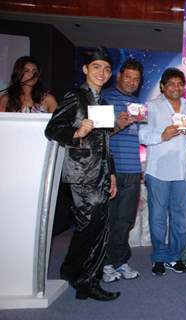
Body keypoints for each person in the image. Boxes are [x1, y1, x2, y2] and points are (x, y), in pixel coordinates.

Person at [44, 48, 120, 301]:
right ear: (85, 69)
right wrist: (77, 132)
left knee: (95, 227)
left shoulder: (103, 102)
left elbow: (105, 143)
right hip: (81, 173)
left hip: (100, 173)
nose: (102, 72)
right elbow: (53, 129)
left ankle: (73, 271)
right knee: (93, 228)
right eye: (97, 67)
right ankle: (86, 281)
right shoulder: (76, 96)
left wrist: (111, 174)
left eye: (107, 69)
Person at [139, 68, 186, 276]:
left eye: (179, 83)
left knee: (180, 218)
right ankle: (159, 257)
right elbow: (142, 135)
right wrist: (162, 134)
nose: (176, 87)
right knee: (157, 217)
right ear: (163, 87)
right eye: (171, 84)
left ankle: (175, 257)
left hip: (183, 171)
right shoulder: (152, 106)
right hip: (158, 171)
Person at [101, 58, 144, 283]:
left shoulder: (139, 104)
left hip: (133, 169)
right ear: (119, 77)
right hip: (111, 170)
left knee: (126, 220)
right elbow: (97, 136)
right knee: (109, 218)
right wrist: (117, 124)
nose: (132, 82)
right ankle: (105, 264)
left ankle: (120, 261)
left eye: (136, 79)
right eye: (128, 77)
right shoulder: (104, 98)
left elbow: (141, 137)